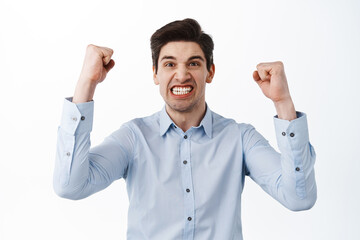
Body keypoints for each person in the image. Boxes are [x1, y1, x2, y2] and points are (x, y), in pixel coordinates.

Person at [54, 18, 317, 239]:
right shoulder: (134, 138)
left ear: (209, 72)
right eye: (169, 64)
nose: (181, 75)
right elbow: (70, 186)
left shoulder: (240, 138)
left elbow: (298, 198)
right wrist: (86, 84)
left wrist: (283, 103)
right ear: (155, 74)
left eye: (193, 63)